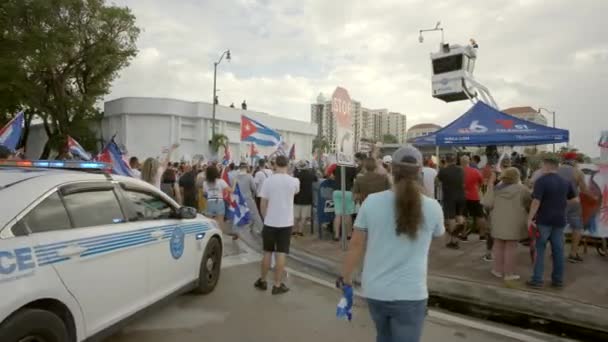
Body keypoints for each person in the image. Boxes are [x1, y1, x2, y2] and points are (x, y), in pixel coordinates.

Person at [339, 145, 445, 342]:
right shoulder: (433, 207)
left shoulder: (371, 202)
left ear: (391, 169)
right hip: (411, 292)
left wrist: (346, 279)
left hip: (375, 290)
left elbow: (356, 245)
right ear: (420, 171)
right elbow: (439, 236)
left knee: (384, 337)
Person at [526, 156, 577, 289]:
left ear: (547, 166)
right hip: (559, 220)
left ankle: (537, 280)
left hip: (544, 220)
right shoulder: (566, 182)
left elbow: (536, 201)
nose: (542, 168)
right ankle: (557, 280)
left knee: (540, 250)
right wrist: (561, 204)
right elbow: (575, 200)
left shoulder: (541, 181)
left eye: (542, 165)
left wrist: (529, 218)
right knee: (558, 252)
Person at [254, 155, 300, 295]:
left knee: (267, 252)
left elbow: (263, 203)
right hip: (286, 222)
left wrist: (265, 217)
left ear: (274, 164)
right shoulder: (294, 181)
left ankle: (262, 280)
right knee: (281, 253)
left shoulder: (268, 181)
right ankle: (277, 285)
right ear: (287, 164)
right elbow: (296, 191)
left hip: (270, 221)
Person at [482, 168, 531, 281]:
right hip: (515, 223)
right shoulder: (523, 189)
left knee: (498, 246)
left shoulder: (496, 189)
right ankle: (509, 274)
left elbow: (487, 204)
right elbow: (529, 204)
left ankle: (497, 270)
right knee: (511, 247)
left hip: (498, 221)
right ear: (517, 177)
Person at [558, 152, 588, 263]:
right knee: (577, 227)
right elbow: (584, 190)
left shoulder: (556, 170)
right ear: (574, 161)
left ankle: (556, 251)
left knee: (558, 228)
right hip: (573, 203)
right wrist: (594, 196)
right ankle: (573, 253)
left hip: (557, 203)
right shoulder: (578, 172)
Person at [437, 154, 465, 249]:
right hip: (461, 196)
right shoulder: (461, 169)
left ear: (447, 161)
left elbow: (436, 181)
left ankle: (454, 241)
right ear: (455, 160)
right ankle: (460, 230)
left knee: (452, 218)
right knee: (460, 215)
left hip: (450, 197)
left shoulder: (443, 170)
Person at [461, 155, 487, 242]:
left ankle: (464, 236)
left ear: (461, 162)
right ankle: (482, 236)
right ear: (469, 162)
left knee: (463, 216)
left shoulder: (459, 171)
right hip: (475, 196)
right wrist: (477, 187)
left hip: (463, 196)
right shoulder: (475, 171)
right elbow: (482, 182)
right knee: (480, 216)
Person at [330, 164, 358, 242]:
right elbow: (356, 179)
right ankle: (349, 234)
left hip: (337, 191)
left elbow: (331, 176)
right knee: (347, 214)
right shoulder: (352, 167)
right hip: (348, 191)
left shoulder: (338, 166)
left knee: (338, 214)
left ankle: (336, 235)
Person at [203, 165, 233, 235]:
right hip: (219, 202)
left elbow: (205, 193)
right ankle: (220, 236)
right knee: (220, 222)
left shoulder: (205, 183)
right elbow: (230, 190)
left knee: (209, 222)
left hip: (210, 202)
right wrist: (234, 184)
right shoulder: (221, 181)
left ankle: (210, 235)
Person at [234, 162, 262, 233]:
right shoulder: (249, 176)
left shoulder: (235, 177)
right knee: (255, 215)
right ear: (246, 168)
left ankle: (238, 232)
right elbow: (254, 188)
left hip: (239, 200)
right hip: (248, 199)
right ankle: (262, 230)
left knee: (239, 216)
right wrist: (254, 195)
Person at [293, 160, 318, 237]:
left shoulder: (296, 175)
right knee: (304, 216)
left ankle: (294, 230)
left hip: (297, 198)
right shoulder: (311, 174)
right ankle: (300, 231)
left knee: (296, 216)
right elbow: (316, 179)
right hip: (307, 198)